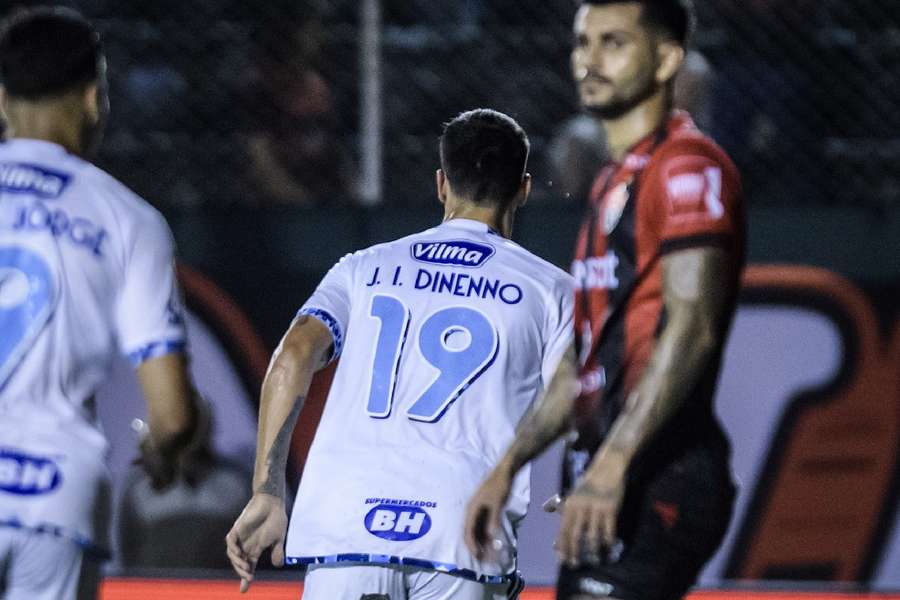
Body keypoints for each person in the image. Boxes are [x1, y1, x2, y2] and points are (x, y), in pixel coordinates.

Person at [226, 109, 574, 599]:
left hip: (346, 530)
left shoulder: (362, 268)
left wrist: (267, 489)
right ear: (524, 188)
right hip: (462, 532)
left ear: (440, 184)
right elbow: (575, 390)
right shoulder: (551, 290)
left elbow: (292, 356)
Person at [466, 1, 744, 599]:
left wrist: (615, 463)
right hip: (616, 469)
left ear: (668, 58)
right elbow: (581, 362)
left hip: (660, 470)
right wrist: (506, 468)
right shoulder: (612, 181)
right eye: (582, 42)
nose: (589, 60)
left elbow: (692, 328)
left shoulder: (686, 166)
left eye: (613, 43)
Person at [0, 8, 202, 599]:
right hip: (55, 495)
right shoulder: (128, 218)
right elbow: (173, 416)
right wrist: (161, 448)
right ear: (93, 98)